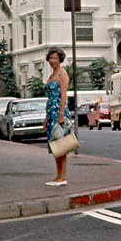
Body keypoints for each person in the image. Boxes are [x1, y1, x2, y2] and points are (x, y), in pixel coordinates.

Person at [43, 46, 71, 186]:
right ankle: (58, 175)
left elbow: (63, 95)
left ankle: (63, 176)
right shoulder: (52, 75)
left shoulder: (62, 74)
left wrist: (61, 115)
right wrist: (46, 118)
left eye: (55, 58)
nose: (53, 61)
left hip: (59, 110)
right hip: (51, 111)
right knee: (55, 145)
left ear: (60, 59)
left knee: (61, 145)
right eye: (51, 58)